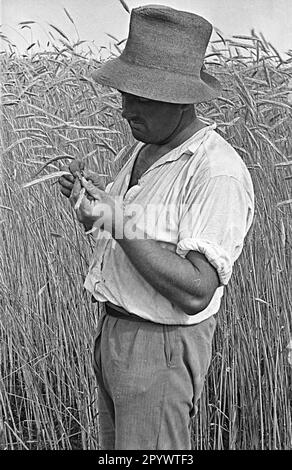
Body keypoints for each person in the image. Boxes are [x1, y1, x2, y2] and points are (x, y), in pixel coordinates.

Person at [59, 5, 254, 450]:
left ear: (180, 98)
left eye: (140, 96)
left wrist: (119, 220)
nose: (125, 109)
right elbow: (146, 231)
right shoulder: (144, 152)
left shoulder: (215, 171)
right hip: (116, 337)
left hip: (160, 350)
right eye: (125, 94)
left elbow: (196, 290)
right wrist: (95, 208)